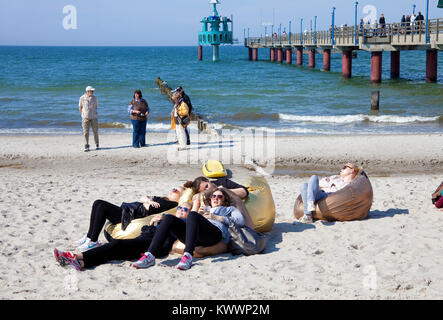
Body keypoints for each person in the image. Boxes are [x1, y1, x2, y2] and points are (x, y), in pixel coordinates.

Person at [54, 202, 192, 271]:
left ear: (190, 213)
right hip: (145, 240)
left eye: (185, 209)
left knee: (117, 245)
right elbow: (146, 230)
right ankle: (81, 263)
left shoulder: (184, 224)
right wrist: (152, 223)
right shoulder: (166, 218)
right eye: (179, 208)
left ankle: (77, 257)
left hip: (153, 246)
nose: (180, 210)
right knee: (114, 252)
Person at [133, 188, 245, 270]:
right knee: (169, 218)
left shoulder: (229, 209)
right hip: (195, 236)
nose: (216, 198)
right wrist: (202, 214)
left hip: (214, 235)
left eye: (219, 196)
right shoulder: (206, 208)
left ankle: (187, 256)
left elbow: (240, 221)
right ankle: (150, 255)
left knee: (193, 215)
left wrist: (214, 217)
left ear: (224, 200)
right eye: (213, 196)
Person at [72, 187, 185, 252]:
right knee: (98, 203)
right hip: (128, 209)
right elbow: (143, 197)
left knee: (101, 206)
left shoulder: (172, 204)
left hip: (132, 214)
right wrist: (148, 200)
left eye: (178, 191)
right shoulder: (161, 198)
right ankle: (89, 236)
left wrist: (147, 202)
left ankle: (93, 241)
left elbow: (148, 208)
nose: (174, 190)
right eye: (174, 188)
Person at [295, 163, 362, 224]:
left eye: (345, 167)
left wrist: (331, 184)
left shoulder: (352, 184)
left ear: (352, 170)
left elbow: (343, 192)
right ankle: (309, 207)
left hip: (329, 196)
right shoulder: (336, 177)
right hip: (321, 193)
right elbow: (321, 183)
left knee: (311, 181)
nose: (342, 169)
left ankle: (308, 213)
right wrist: (332, 184)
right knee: (306, 183)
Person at [184, 176, 255, 229]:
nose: (207, 189)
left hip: (234, 215)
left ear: (208, 181)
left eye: (207, 186)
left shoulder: (222, 182)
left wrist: (222, 191)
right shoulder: (204, 196)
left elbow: (244, 192)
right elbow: (195, 199)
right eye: (204, 190)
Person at [79, 86, 99, 152]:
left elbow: (96, 106)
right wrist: (83, 114)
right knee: (85, 132)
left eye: (93, 91)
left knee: (95, 131)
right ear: (87, 91)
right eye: (91, 91)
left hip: (94, 117)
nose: (93, 92)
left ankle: (97, 144)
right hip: (85, 117)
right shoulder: (82, 98)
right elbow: (80, 107)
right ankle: (86, 145)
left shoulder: (95, 98)